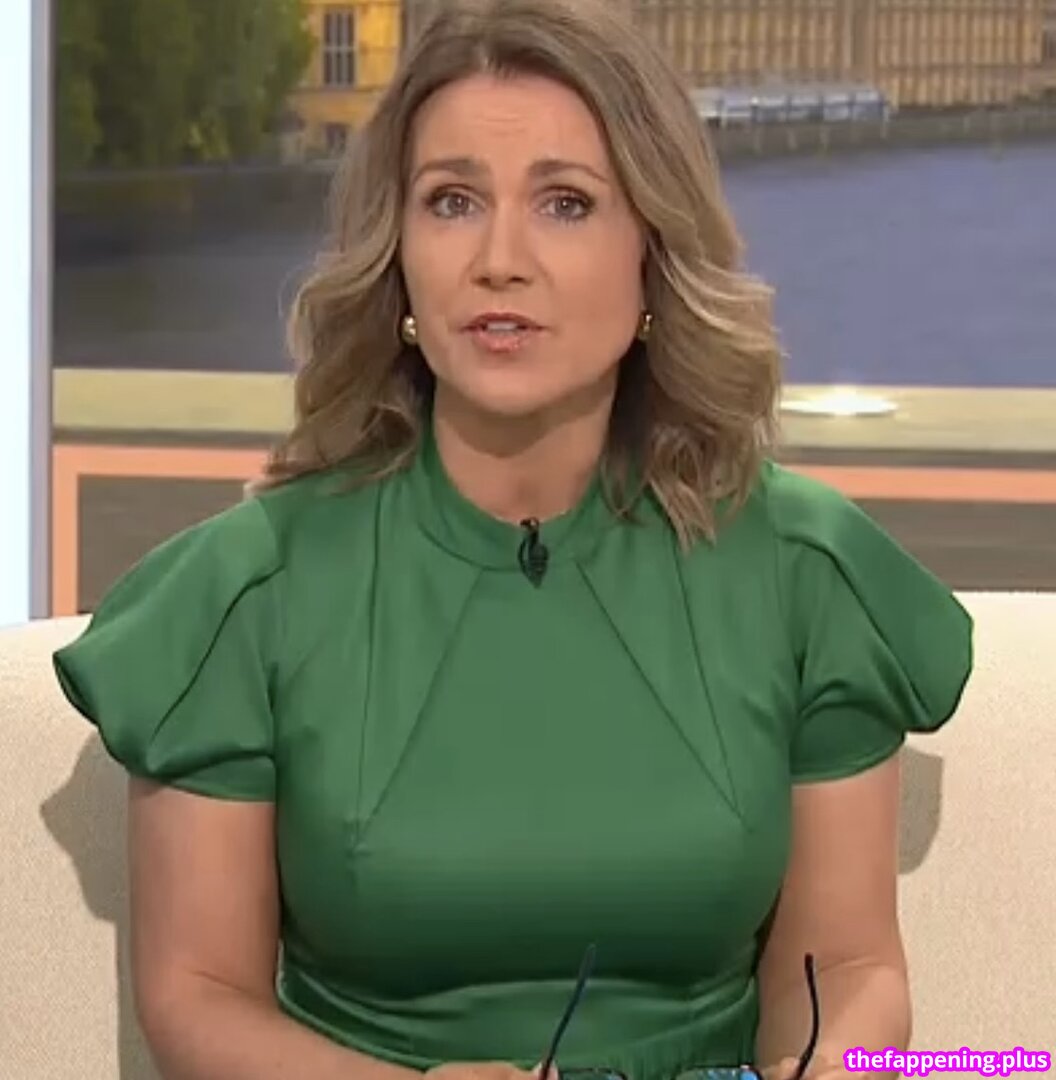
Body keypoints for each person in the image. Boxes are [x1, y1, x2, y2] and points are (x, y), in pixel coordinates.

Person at [51, 1, 974, 1078]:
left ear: (653, 254)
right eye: (452, 201)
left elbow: (849, 968)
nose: (500, 259)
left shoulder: (804, 573)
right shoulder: (246, 593)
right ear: (399, 255)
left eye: (565, 203)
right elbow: (198, 997)